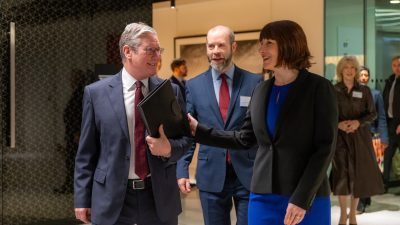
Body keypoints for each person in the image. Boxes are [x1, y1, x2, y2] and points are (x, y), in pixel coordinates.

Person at [186, 20, 338, 225]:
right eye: (261, 44)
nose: (261, 50)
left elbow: (324, 149)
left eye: (268, 44)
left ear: (288, 44)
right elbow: (244, 138)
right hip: (262, 195)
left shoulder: (319, 88)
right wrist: (199, 131)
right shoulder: (261, 90)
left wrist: (302, 198)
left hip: (305, 196)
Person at [74, 22, 191, 225]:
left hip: (158, 198)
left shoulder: (171, 91)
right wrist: (82, 198)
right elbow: (86, 153)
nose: (157, 56)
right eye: (150, 50)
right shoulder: (96, 93)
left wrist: (168, 148)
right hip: (112, 197)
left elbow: (186, 141)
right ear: (128, 51)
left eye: (158, 50)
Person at [176, 25, 262, 225]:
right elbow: (188, 131)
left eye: (221, 45)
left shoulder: (254, 82)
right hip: (211, 173)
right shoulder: (193, 86)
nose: (215, 51)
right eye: (211, 46)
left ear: (233, 46)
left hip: (247, 173)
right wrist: (182, 169)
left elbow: (258, 131)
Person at [331, 56, 384, 225]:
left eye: (352, 67)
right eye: (346, 67)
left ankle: (353, 214)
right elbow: (327, 114)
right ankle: (342, 215)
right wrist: (338, 124)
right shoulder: (333, 90)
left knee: (358, 176)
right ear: (341, 70)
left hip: (360, 137)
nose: (349, 70)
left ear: (356, 71)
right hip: (340, 139)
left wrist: (358, 122)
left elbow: (372, 113)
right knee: (342, 175)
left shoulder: (365, 90)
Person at [54, 69, 98, 194]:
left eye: (74, 78)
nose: (71, 81)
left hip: (76, 134)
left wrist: (77, 133)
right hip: (72, 133)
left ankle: (73, 187)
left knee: (74, 161)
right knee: (70, 160)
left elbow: (78, 115)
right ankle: (69, 185)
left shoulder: (81, 93)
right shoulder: (78, 93)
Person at [357, 65, 389, 213]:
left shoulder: (376, 94)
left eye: (366, 75)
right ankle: (364, 198)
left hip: (372, 137)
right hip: (355, 136)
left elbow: (381, 117)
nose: (364, 77)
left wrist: (384, 138)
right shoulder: (352, 94)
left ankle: (362, 201)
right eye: (361, 74)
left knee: (367, 169)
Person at [382, 55, 400, 190]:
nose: (397, 68)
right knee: (387, 154)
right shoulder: (390, 80)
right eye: (394, 65)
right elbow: (384, 101)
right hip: (390, 124)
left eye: (399, 65)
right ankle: (384, 183)